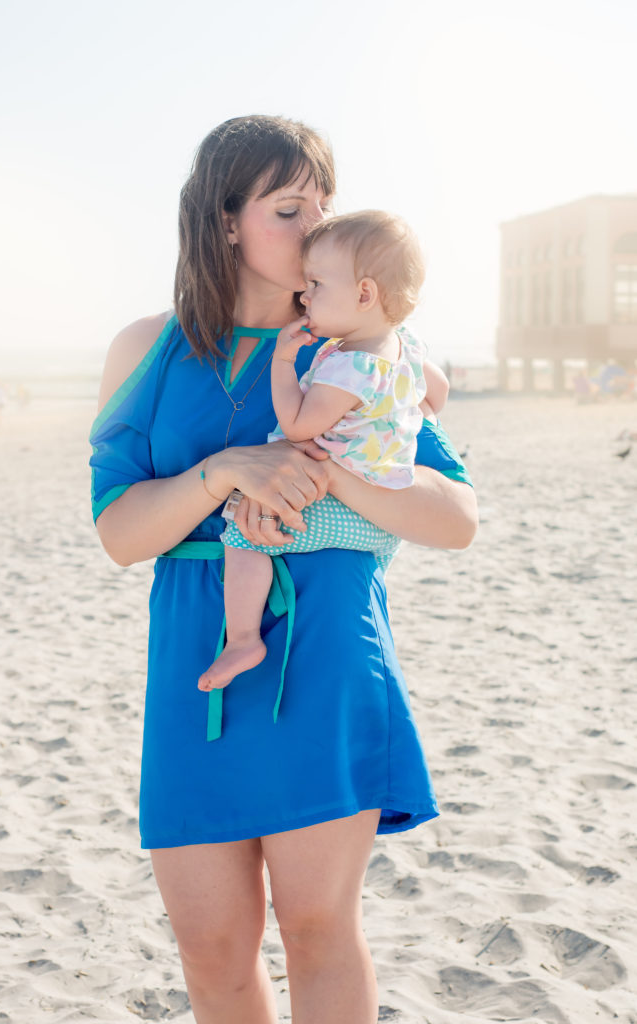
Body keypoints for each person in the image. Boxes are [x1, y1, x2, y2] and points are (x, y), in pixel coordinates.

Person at [90, 115, 477, 1024]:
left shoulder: (366, 349)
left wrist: (331, 471)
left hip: (330, 652)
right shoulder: (146, 348)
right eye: (287, 207)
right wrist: (225, 471)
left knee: (315, 926)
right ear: (225, 221)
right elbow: (119, 533)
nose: (315, 229)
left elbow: (456, 519)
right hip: (197, 661)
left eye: (324, 206)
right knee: (214, 948)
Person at [198, 210, 449, 692]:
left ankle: (244, 639)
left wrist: (283, 359)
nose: (304, 294)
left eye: (316, 284)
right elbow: (436, 391)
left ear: (364, 294)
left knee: (242, 533)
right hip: (382, 509)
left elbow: (296, 426)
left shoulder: (349, 368)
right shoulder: (406, 346)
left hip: (340, 506)